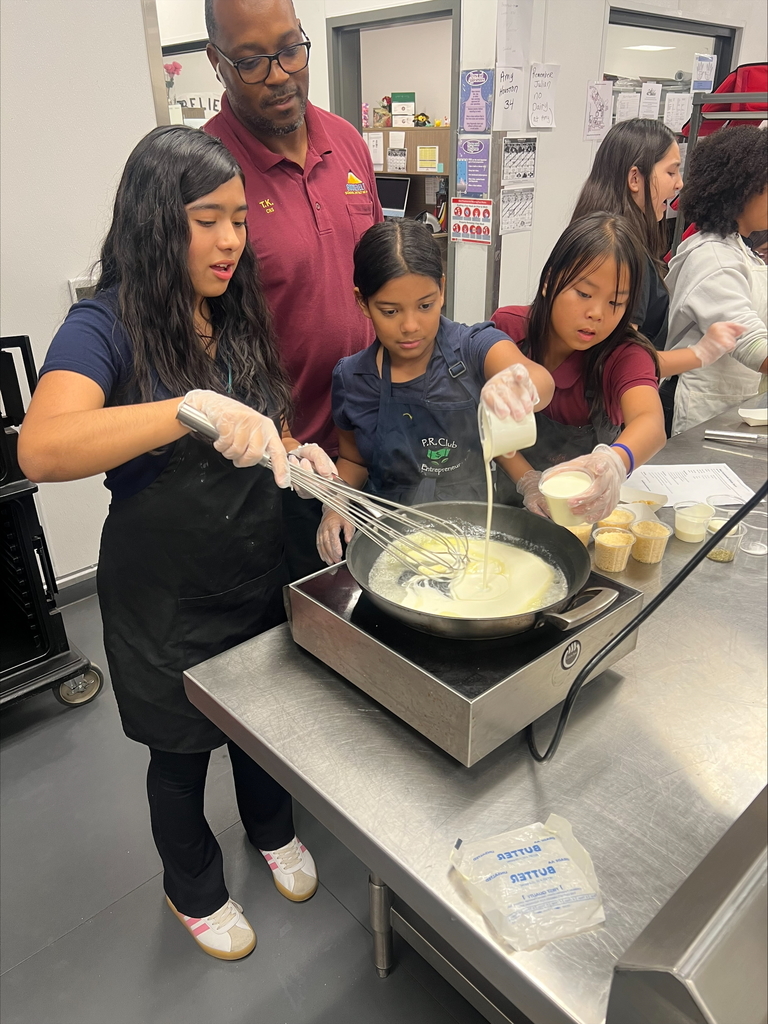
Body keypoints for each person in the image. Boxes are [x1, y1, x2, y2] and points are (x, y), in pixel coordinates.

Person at [18, 127, 335, 961]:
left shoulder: (233, 310)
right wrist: (185, 407)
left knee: (265, 722)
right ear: (159, 221)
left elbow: (266, 422)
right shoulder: (106, 324)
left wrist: (298, 454)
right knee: (183, 749)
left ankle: (271, 830)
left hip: (253, 563)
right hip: (164, 594)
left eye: (239, 219)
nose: (232, 240)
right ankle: (190, 881)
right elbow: (42, 448)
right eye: (209, 220)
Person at [203, 0, 383, 580]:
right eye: (252, 61)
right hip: (276, 466)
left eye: (290, 49)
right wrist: (278, 438)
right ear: (216, 63)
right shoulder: (208, 170)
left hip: (368, 442)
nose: (280, 74)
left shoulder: (347, 141)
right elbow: (199, 340)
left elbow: (382, 282)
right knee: (297, 628)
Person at [316, 220, 555, 563]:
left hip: (475, 534)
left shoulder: (473, 348)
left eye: (425, 305)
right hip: (390, 539)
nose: (410, 325)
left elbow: (539, 380)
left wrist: (519, 385)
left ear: (442, 289)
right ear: (362, 303)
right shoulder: (353, 378)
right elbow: (354, 459)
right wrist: (335, 503)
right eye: (390, 311)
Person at [491, 212, 738, 522]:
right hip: (506, 505)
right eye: (584, 293)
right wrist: (528, 480)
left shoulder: (623, 353)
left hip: (583, 514)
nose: (597, 313)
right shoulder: (508, 331)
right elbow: (491, 424)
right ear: (549, 282)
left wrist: (613, 463)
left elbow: (649, 422)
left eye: (616, 303)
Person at [571, 119, 738, 437]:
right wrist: (700, 353)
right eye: (671, 171)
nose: (679, 185)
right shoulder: (619, 252)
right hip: (593, 423)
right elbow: (616, 361)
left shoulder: (601, 233)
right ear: (636, 177)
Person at [665, 125, 768, 434]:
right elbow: (748, 341)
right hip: (698, 410)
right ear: (742, 191)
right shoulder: (714, 257)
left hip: (727, 403)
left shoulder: (740, 249)